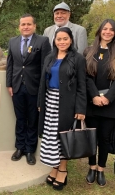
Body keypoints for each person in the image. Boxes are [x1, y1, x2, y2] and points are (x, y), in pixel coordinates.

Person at [38, 27, 86, 191]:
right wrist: (40, 103)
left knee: (63, 137)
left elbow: (81, 86)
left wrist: (80, 109)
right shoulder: (49, 58)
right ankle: (54, 167)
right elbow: (42, 83)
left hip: (67, 104)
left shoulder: (78, 59)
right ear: (54, 41)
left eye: (65, 39)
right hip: (49, 101)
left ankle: (63, 170)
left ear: (71, 40)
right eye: (59, 39)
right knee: (51, 137)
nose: (62, 42)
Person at [84, 19, 115, 186]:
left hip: (110, 104)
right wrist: (94, 95)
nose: (108, 32)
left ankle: (101, 169)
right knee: (91, 137)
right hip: (91, 103)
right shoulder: (88, 51)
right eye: (105, 29)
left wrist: (108, 97)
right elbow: (86, 77)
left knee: (104, 139)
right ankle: (92, 167)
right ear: (99, 30)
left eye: (111, 29)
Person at [6, 14, 51, 165]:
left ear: (34, 26)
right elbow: (10, 64)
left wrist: (43, 88)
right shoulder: (13, 41)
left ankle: (30, 150)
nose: (25, 27)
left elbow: (46, 66)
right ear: (19, 27)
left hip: (34, 88)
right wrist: (9, 84)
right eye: (23, 24)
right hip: (17, 87)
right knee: (19, 119)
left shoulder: (43, 41)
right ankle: (19, 148)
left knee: (32, 119)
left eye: (28, 24)